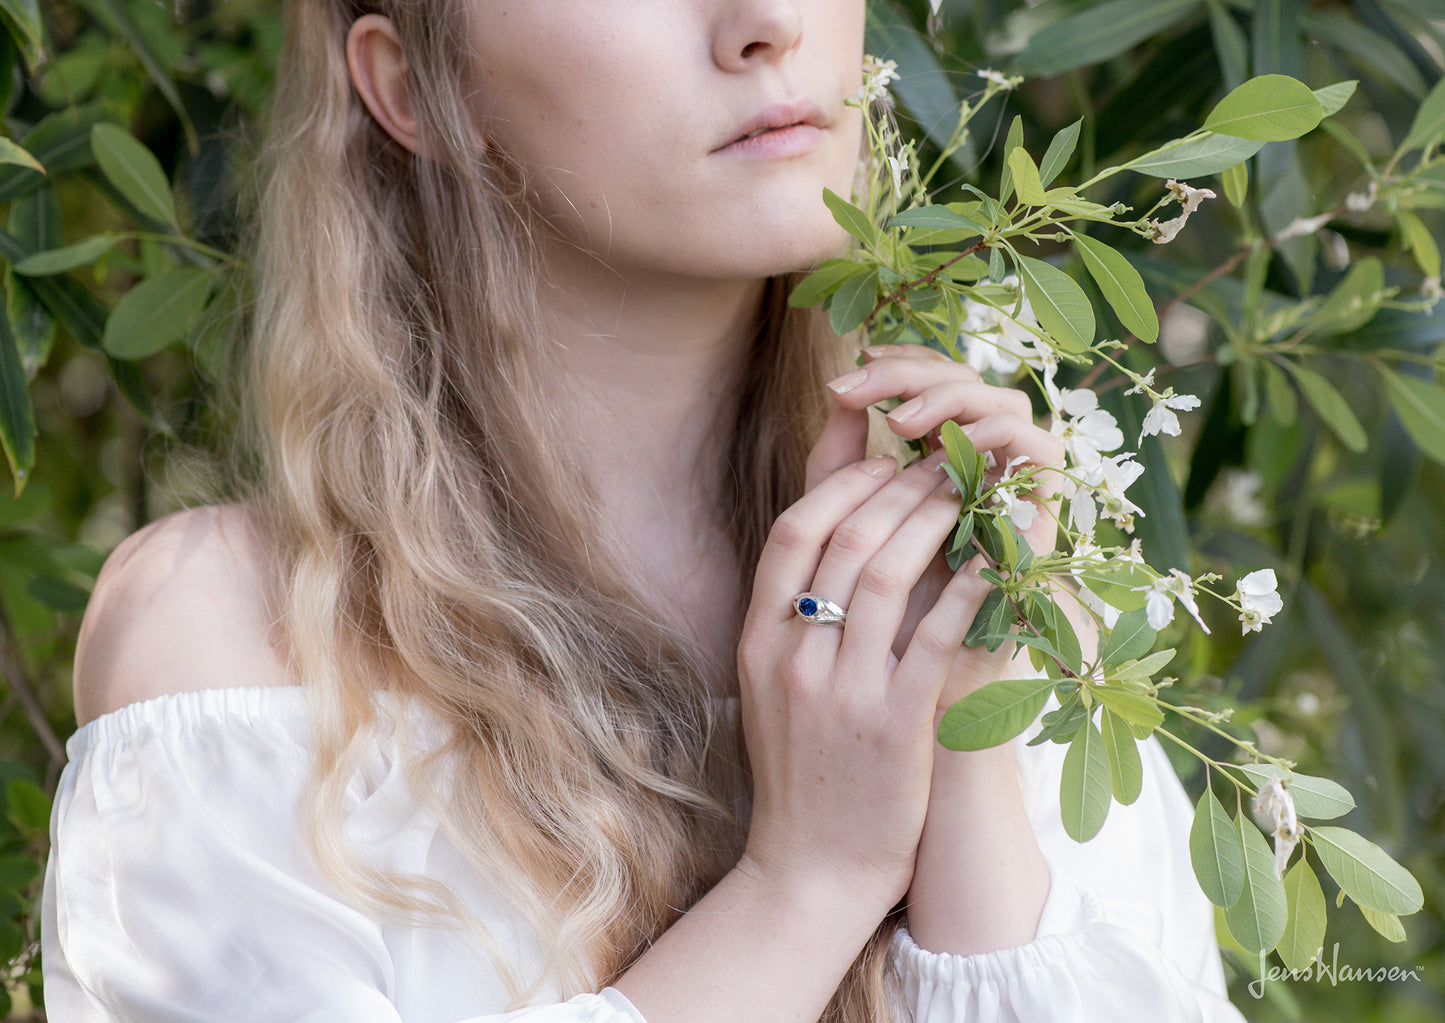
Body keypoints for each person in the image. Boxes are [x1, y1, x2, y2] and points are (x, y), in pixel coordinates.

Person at [41, 1, 1248, 1020]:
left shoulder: (1000, 597)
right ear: (418, 89)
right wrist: (807, 882)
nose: (764, 26)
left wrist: (961, 767)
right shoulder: (230, 642)